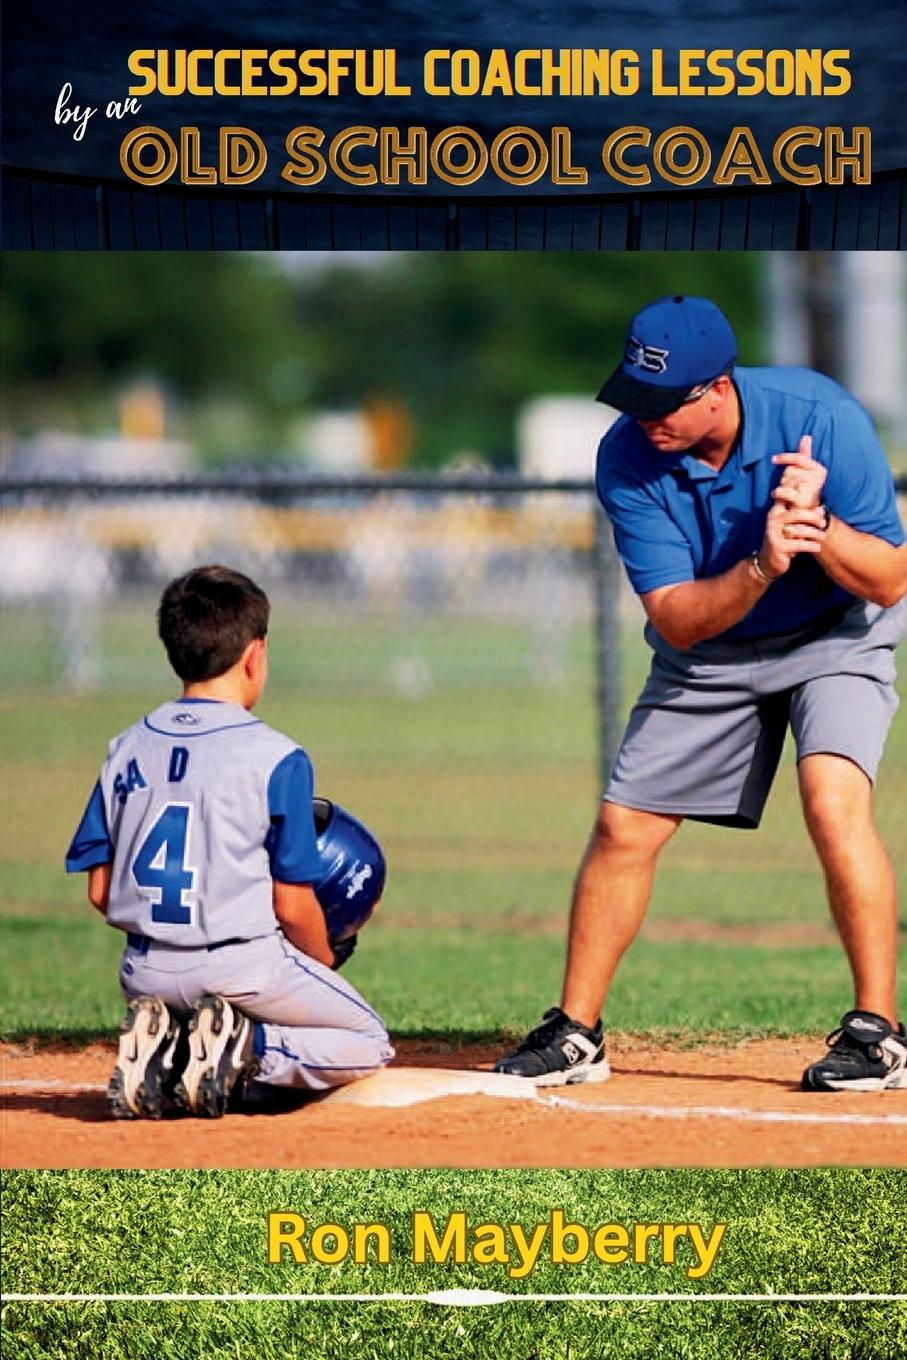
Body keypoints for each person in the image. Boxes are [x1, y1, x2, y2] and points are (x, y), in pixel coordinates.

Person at [496, 294, 907, 1093]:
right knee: (623, 827)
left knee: (831, 802)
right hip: (712, 648)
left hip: (834, 633)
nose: (644, 419)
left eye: (662, 404)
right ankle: (578, 1031)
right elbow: (678, 621)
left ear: (716, 387)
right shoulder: (626, 457)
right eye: (634, 398)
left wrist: (816, 529)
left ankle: (877, 1036)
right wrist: (760, 563)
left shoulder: (820, 416)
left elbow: (890, 580)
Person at [65, 564, 393, 1119]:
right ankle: (241, 1047)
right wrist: (320, 961)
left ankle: (172, 1047)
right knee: (367, 1040)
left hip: (142, 972)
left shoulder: (124, 747)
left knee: (214, 996)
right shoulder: (276, 756)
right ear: (254, 656)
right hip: (241, 966)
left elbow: (101, 892)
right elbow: (292, 904)